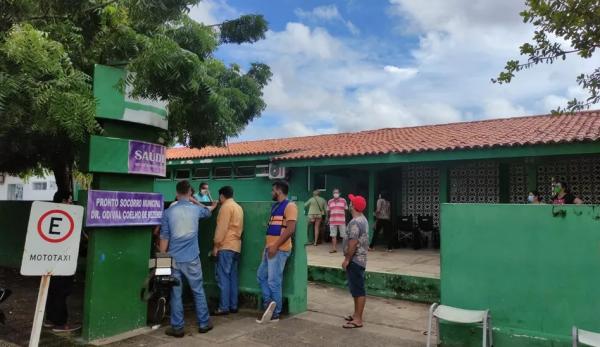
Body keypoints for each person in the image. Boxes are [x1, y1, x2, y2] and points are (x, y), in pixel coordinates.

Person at [160, 180, 217, 337]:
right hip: (192, 258)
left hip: (173, 258)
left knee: (175, 293)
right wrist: (194, 200)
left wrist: (162, 257)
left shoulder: (168, 213)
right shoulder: (195, 210)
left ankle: (177, 328)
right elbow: (208, 211)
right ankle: (204, 323)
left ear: (177, 193)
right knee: (198, 290)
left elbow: (164, 238)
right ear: (190, 193)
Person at [256, 181, 297, 324]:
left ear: (279, 191)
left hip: (279, 250)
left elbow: (290, 229)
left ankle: (275, 313)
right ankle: (269, 306)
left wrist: (275, 246)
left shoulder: (290, 206)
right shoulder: (276, 207)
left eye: (273, 190)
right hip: (270, 248)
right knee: (261, 276)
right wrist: (268, 246)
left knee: (274, 281)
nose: (271, 192)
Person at [44, 191, 80, 332]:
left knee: (53, 290)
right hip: (62, 260)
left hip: (51, 260)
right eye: (70, 201)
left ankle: (51, 319)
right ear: (63, 201)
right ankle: (61, 323)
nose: (71, 203)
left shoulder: (49, 215)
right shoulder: (65, 218)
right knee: (61, 291)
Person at [212, 186, 244, 316]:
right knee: (232, 277)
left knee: (223, 277)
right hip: (236, 246)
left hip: (225, 246)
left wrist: (216, 245)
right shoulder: (238, 207)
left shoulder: (225, 207)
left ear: (221, 196)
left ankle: (224, 307)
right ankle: (233, 305)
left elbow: (221, 229)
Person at [342, 194, 369, 329]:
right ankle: (356, 314)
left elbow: (353, 243)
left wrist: (347, 259)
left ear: (353, 206)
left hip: (355, 260)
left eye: (351, 202)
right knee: (355, 288)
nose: (349, 203)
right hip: (360, 259)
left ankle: (358, 319)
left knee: (358, 290)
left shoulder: (355, 222)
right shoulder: (363, 220)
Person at [327, 188, 348, 253]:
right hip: (332, 221)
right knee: (333, 235)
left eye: (337, 192)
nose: (335, 194)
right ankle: (334, 248)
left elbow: (346, 210)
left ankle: (345, 249)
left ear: (339, 193)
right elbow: (328, 211)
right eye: (334, 193)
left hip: (341, 221)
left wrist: (345, 219)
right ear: (333, 194)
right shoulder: (330, 201)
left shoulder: (343, 200)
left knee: (344, 236)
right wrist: (328, 219)